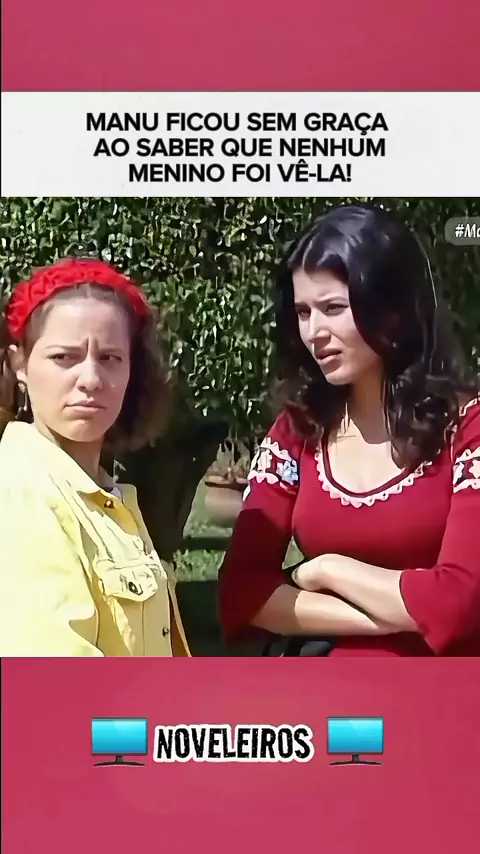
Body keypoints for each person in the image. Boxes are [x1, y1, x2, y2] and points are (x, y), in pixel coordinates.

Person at [218, 203, 480, 656]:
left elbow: (459, 601)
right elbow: (241, 591)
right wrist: (398, 617)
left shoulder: (468, 429)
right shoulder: (297, 430)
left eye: (333, 308)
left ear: (394, 310)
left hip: (449, 691)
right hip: (323, 690)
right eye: (303, 312)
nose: (314, 332)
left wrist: (328, 570)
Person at [0, 257, 190, 656]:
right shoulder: (22, 496)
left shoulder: (105, 494)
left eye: (109, 358)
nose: (90, 379)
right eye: (64, 357)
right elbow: (58, 684)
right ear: (19, 364)